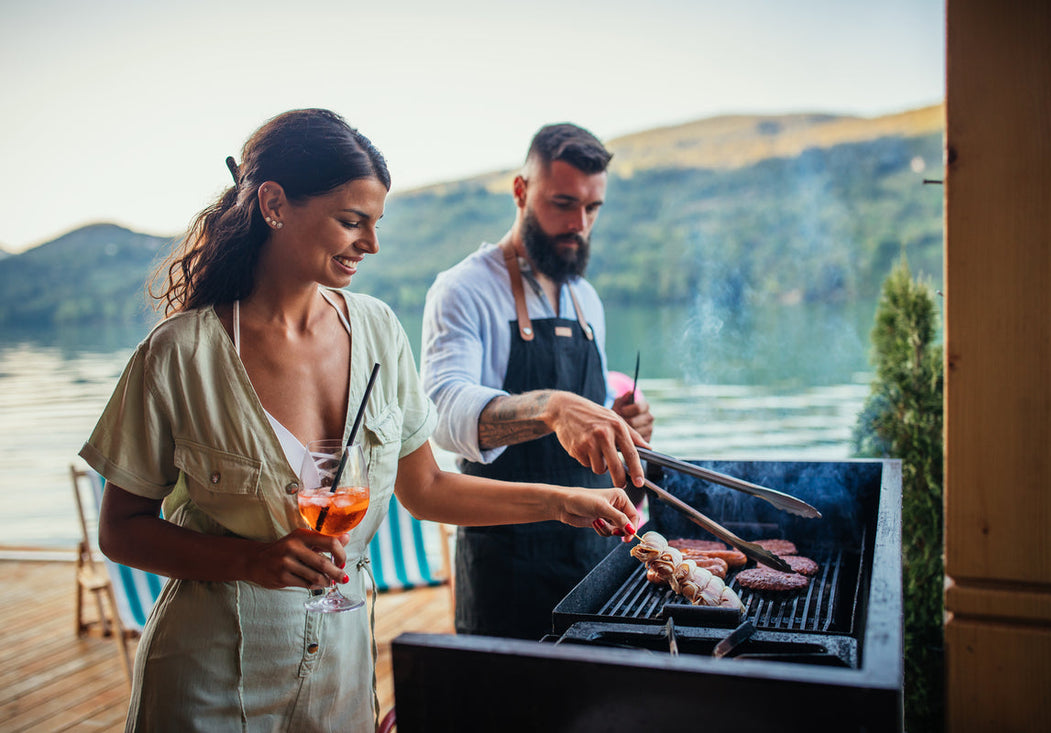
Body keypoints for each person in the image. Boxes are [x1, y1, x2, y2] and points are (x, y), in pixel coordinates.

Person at [78, 109, 640, 733]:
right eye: (351, 222)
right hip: (208, 685)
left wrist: (562, 502)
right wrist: (250, 562)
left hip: (340, 686)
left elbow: (427, 489)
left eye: (375, 223)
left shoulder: (377, 330)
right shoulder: (180, 353)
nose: (371, 245)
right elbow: (121, 531)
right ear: (274, 204)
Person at [420, 122, 655, 640]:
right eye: (563, 204)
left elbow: (590, 410)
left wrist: (618, 421)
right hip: (507, 567)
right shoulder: (463, 290)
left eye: (592, 208)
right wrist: (551, 407)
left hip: (596, 557)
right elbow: (443, 413)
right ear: (521, 191)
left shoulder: (586, 298)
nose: (579, 225)